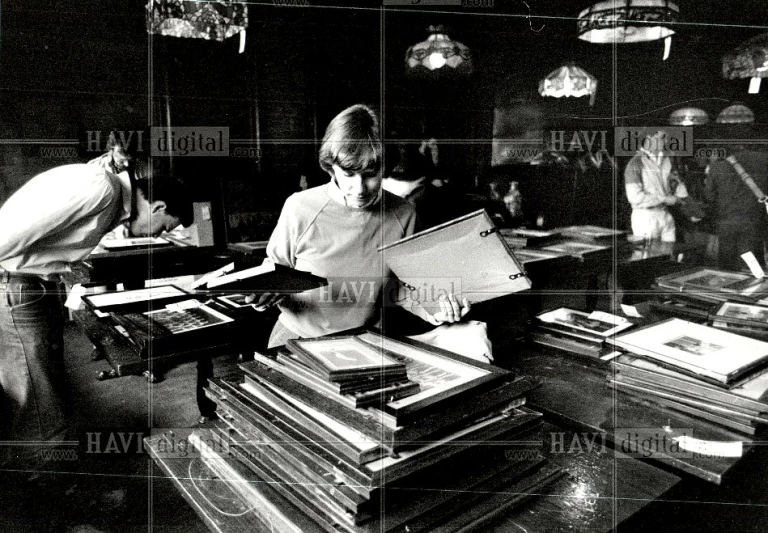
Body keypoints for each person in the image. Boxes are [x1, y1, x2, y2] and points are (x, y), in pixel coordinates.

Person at [0, 164, 192, 471]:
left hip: (27, 285)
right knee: (40, 396)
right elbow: (4, 239)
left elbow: (40, 240)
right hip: (17, 286)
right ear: (158, 207)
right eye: (165, 226)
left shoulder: (109, 193)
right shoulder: (100, 187)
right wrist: (54, 268)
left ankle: (45, 476)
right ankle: (45, 487)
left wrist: (63, 266)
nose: (159, 234)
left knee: (45, 390)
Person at [260, 104, 471, 348]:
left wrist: (436, 311)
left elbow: (404, 287)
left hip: (366, 343)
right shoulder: (300, 207)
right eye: (348, 174)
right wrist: (262, 295)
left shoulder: (404, 213)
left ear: (385, 168)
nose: (360, 188)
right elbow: (275, 274)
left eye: (371, 173)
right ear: (331, 167)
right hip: (298, 338)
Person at [705, 141, 768, 270]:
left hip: (726, 224)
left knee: (728, 268)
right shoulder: (764, 160)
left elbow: (709, 197)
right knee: (753, 267)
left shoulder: (718, 166)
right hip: (754, 222)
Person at [624, 130, 689, 242]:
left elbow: (677, 188)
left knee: (669, 256)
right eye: (662, 137)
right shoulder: (635, 164)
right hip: (645, 217)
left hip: (665, 215)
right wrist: (665, 199)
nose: (666, 141)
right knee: (648, 257)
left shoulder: (667, 161)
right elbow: (634, 197)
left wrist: (683, 197)